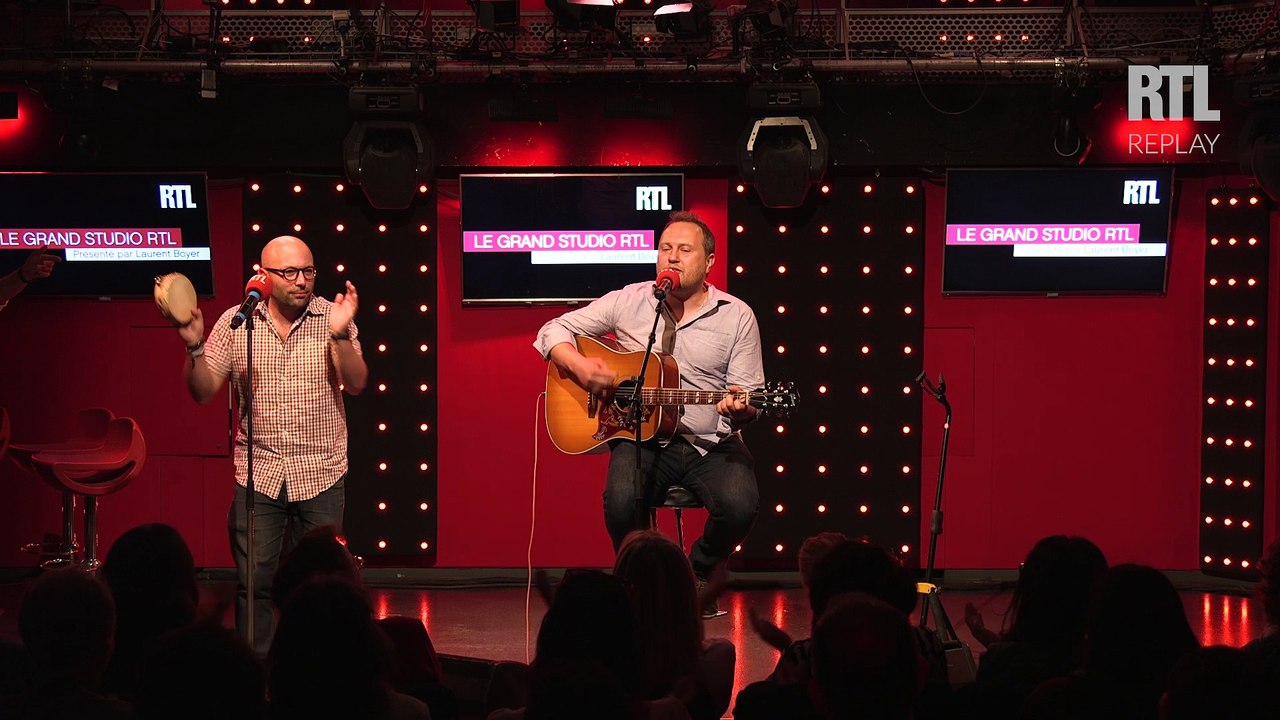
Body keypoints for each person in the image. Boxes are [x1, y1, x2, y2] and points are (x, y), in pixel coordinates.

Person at [533, 211, 763, 606]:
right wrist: (580, 366)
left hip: (709, 441)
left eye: (684, 250)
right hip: (641, 436)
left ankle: (698, 574)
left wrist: (741, 407)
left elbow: (749, 393)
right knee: (621, 502)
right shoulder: (630, 300)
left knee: (741, 505)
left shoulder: (737, 316)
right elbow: (552, 329)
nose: (671, 258)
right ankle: (639, 586)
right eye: (665, 249)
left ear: (709, 262)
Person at [175, 234, 367, 654]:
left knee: (322, 585)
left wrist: (338, 336)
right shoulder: (236, 321)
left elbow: (356, 382)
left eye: (308, 271)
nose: (302, 281)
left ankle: (317, 670)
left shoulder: (332, 317)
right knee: (254, 584)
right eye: (289, 273)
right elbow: (203, 390)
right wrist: (194, 346)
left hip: (320, 472)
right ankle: (256, 676)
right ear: (262, 275)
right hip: (257, 475)